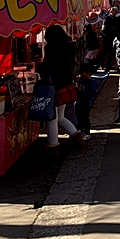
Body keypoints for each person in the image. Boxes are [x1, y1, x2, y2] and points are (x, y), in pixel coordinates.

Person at [38, 24, 85, 154]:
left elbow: (49, 67)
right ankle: (77, 138)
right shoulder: (69, 47)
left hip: (54, 87)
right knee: (60, 117)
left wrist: (41, 67)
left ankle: (53, 148)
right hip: (66, 86)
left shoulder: (52, 49)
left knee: (52, 119)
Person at [76, 62, 98, 140]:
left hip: (86, 103)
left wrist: (81, 92)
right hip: (79, 102)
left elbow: (91, 93)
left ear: (89, 73)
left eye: (83, 72)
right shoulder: (81, 81)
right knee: (79, 118)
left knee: (85, 118)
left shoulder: (91, 83)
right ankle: (80, 131)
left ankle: (86, 132)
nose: (81, 74)